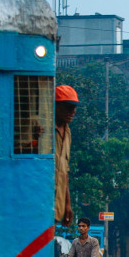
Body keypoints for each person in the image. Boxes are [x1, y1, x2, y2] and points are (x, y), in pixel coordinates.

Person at [54, 84, 79, 226]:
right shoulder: (45, 129)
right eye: (68, 107)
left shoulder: (68, 133)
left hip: (58, 202)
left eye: (74, 108)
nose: (72, 111)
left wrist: (67, 204)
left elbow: (65, 172)